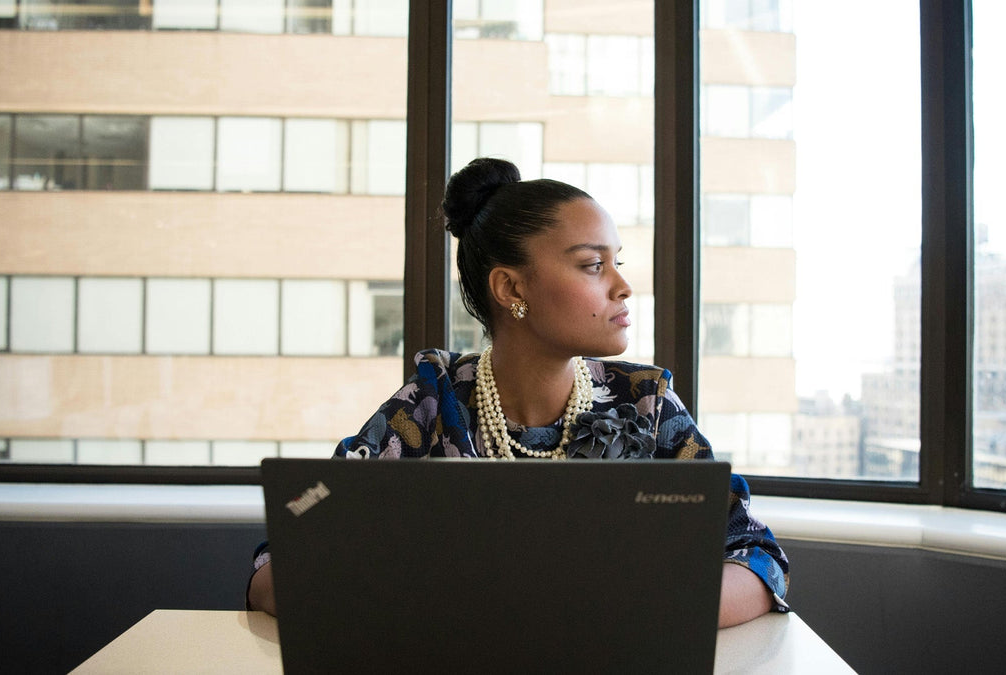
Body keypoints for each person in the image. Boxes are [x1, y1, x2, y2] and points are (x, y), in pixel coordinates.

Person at [247, 157, 789, 627]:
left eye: (616, 262)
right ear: (511, 288)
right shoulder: (432, 403)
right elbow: (283, 552)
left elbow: (757, 556)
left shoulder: (647, 405)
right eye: (592, 265)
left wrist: (631, 611)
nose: (623, 286)